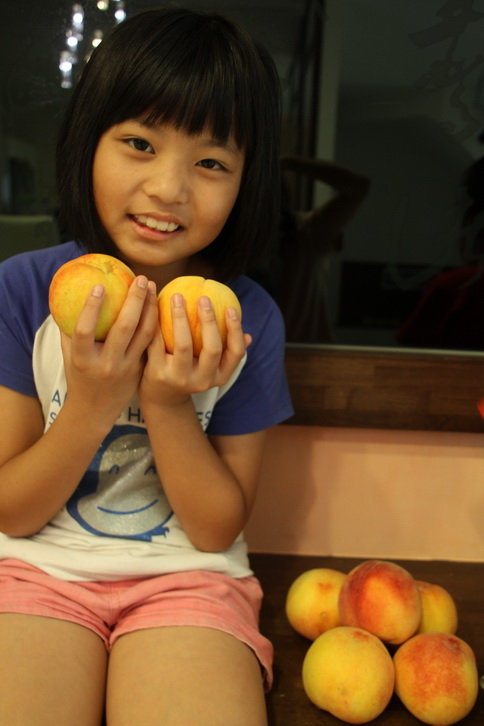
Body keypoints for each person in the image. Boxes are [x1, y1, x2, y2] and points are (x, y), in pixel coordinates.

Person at [0, 9, 293, 726]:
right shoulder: (23, 291)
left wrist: (165, 403)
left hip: (190, 581)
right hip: (31, 569)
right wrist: (93, 402)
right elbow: (10, 508)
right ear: (87, 142)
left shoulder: (244, 319)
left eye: (211, 163)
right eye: (139, 143)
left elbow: (216, 529)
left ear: (247, 181)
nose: (168, 188)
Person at [252, 155, 370, 342]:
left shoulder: (305, 231)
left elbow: (358, 187)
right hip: (251, 352)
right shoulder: (227, 239)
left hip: (306, 350)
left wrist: (289, 163)